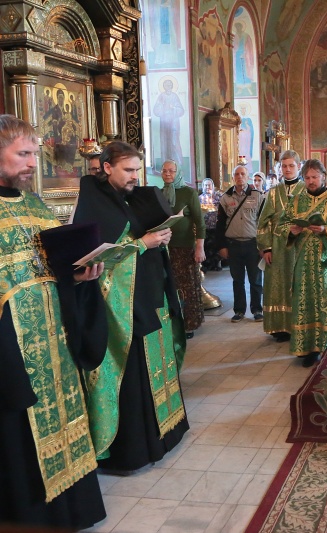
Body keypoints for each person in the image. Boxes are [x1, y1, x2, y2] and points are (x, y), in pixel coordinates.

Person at [0, 115, 107, 528]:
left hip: (53, 339)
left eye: (34, 153)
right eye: (23, 153)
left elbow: (54, 266)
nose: (32, 162)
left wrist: (79, 276)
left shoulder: (33, 203)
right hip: (12, 344)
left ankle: (72, 509)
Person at [73, 140, 189, 472]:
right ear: (107, 167)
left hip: (150, 295)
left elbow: (139, 235)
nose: (135, 176)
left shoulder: (128, 197)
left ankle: (166, 433)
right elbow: (96, 261)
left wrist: (159, 237)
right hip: (122, 308)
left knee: (158, 363)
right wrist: (142, 244)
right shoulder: (95, 204)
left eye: (137, 169)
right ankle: (136, 449)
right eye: (128, 170)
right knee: (135, 370)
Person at [276, 159, 327, 367]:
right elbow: (282, 225)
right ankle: (307, 348)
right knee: (306, 302)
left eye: (315, 177)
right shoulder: (295, 201)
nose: (311, 181)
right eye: (307, 177)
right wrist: (291, 231)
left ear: (323, 177)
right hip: (304, 262)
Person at [258, 150, 306, 341]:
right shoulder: (273, 192)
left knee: (298, 284)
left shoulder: (306, 189)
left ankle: (299, 325)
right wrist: (266, 248)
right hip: (277, 247)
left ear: (298, 167)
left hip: (299, 246)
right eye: (284, 166)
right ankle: (279, 327)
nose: (287, 169)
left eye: (291, 166)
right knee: (277, 285)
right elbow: (262, 222)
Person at [160, 160, 206, 338]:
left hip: (185, 247)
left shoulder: (188, 193)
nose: (168, 174)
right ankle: (172, 322)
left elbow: (199, 223)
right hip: (164, 247)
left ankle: (188, 324)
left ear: (178, 172)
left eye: (172, 171)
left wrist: (199, 248)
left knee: (185, 286)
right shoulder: (159, 192)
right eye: (164, 171)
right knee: (168, 285)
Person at [218, 165, 265, 323]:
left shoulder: (258, 196)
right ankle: (239, 310)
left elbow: (264, 223)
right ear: (233, 177)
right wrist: (222, 246)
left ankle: (257, 309)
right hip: (233, 244)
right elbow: (220, 224)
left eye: (242, 174)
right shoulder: (226, 198)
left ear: (248, 176)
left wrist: (263, 246)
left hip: (253, 244)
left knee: (255, 279)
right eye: (236, 174)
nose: (239, 177)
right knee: (237, 279)